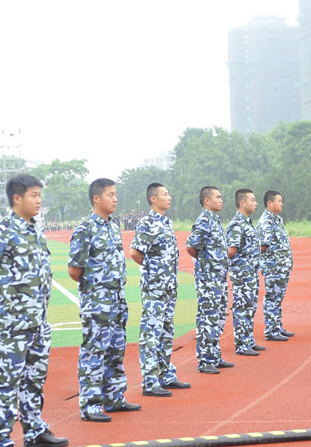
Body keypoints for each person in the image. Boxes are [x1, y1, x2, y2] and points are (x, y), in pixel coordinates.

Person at [0, 174, 69, 447]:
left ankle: (34, 430)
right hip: (12, 322)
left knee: (34, 379)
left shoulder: (36, 229)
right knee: (7, 381)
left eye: (40, 195)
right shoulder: (2, 231)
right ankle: (1, 438)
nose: (38, 200)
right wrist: (9, 297)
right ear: (17, 198)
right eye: (33, 195)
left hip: (38, 320)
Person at [68, 178, 140, 422]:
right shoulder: (85, 229)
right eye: (111, 194)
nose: (115, 199)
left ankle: (114, 397)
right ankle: (90, 405)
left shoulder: (112, 226)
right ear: (96, 198)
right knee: (95, 351)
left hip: (117, 299)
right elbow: (74, 270)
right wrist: (97, 287)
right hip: (97, 301)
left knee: (116, 350)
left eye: (116, 194)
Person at [130, 183, 190, 397]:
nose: (169, 197)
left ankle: (166, 375)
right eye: (165, 194)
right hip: (155, 288)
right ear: (153, 199)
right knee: (151, 332)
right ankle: (150, 380)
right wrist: (153, 271)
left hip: (169, 286)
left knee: (166, 331)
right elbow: (135, 252)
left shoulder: (166, 223)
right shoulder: (147, 223)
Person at [186, 186, 234, 374]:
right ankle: (205, 360)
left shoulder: (215, 219)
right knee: (207, 318)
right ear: (207, 201)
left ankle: (214, 355)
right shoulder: (204, 220)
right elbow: (191, 246)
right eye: (218, 197)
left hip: (219, 278)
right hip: (208, 279)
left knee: (218, 317)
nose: (221, 200)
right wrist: (205, 264)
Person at [226, 188, 264, 357]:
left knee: (250, 307)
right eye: (252, 200)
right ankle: (241, 344)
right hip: (242, 274)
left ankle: (248, 340)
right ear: (242, 203)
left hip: (251, 272)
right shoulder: (237, 224)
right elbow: (231, 250)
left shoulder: (247, 223)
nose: (255, 203)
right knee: (242, 307)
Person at [257, 190, 295, 342]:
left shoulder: (277, 219)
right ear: (270, 203)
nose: (281, 204)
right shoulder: (266, 221)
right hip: (273, 267)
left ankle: (277, 326)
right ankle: (271, 330)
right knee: (272, 297)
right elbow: (262, 246)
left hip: (282, 266)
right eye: (279, 201)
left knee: (278, 297)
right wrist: (266, 264)